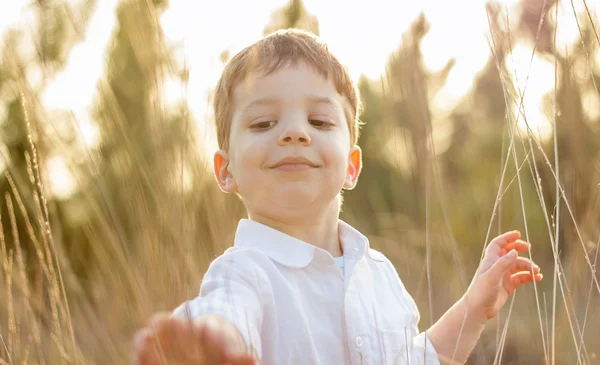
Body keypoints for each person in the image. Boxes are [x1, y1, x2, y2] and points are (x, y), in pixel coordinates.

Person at [131, 29, 542, 365]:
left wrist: (472, 308)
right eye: (263, 123)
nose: (295, 132)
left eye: (320, 120)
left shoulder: (378, 275)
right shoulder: (245, 272)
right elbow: (226, 313)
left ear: (351, 165)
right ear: (225, 170)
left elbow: (418, 358)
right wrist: (208, 343)